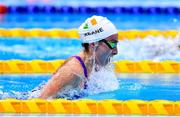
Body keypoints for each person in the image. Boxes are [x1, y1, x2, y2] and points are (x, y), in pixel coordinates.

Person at [38, 15, 119, 99]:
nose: (115, 51)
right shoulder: (72, 71)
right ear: (93, 44)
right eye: (112, 44)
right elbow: (40, 102)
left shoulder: (92, 64)